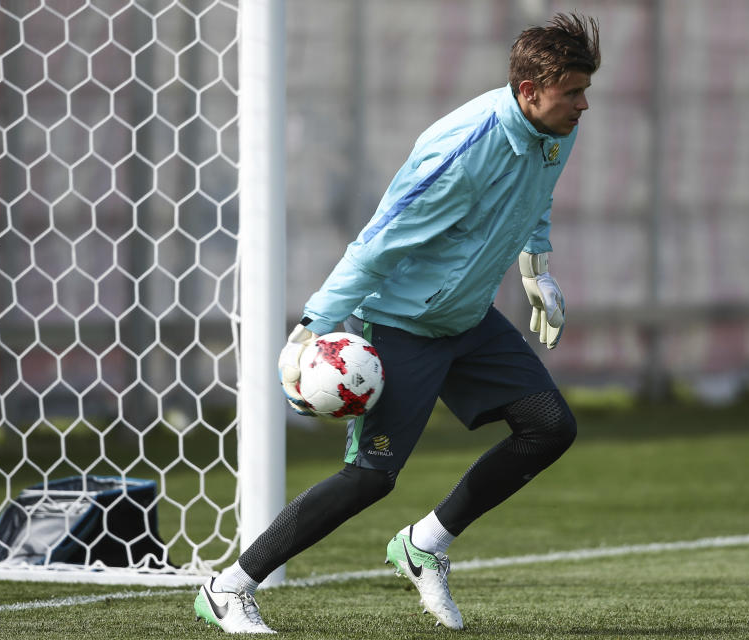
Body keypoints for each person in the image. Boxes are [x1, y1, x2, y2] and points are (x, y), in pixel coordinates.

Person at [194, 12, 600, 634]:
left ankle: (424, 544)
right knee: (370, 479)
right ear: (530, 91)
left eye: (584, 89)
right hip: (402, 322)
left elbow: (534, 201)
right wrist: (312, 326)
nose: (583, 105)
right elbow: (378, 243)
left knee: (549, 427)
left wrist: (536, 271)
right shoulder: (462, 151)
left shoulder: (554, 130)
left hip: (467, 318)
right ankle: (229, 588)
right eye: (573, 91)